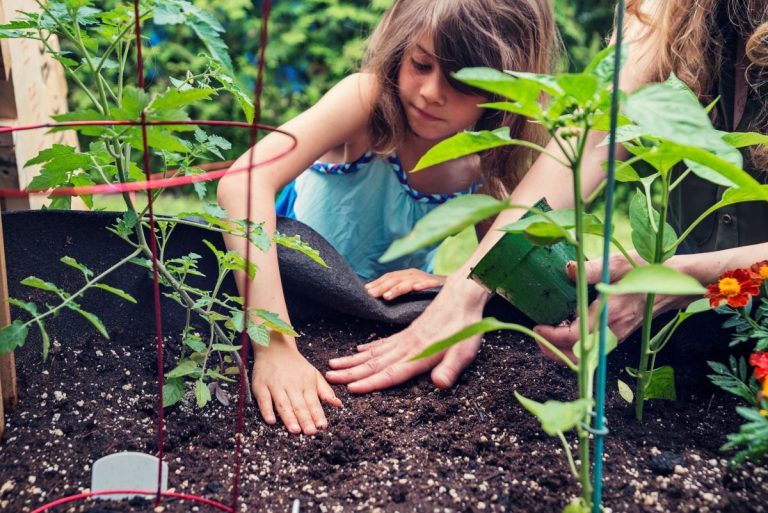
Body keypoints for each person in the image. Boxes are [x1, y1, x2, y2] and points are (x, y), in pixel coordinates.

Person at [325, 0, 768, 392]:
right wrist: (464, 292)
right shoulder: (673, 10)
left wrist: (681, 276)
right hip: (696, 335)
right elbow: (594, 132)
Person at [217, 0, 558, 435]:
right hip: (293, 290)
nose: (432, 92)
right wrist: (275, 347)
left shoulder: (485, 157)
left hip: (384, 319)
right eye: (421, 64)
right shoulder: (366, 101)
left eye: (463, 81)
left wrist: (449, 284)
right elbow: (243, 185)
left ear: (507, 90)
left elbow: (508, 267)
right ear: (402, 48)